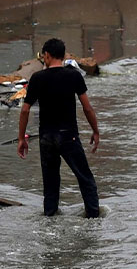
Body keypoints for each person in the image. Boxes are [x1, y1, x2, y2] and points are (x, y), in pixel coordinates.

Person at [18, 38, 100, 218]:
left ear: (46, 56)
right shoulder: (73, 76)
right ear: (63, 56)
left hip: (46, 137)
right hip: (68, 136)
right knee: (85, 179)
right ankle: (94, 219)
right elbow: (87, 107)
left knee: (50, 184)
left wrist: (21, 139)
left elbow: (25, 110)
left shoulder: (37, 78)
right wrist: (95, 130)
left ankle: (50, 217)